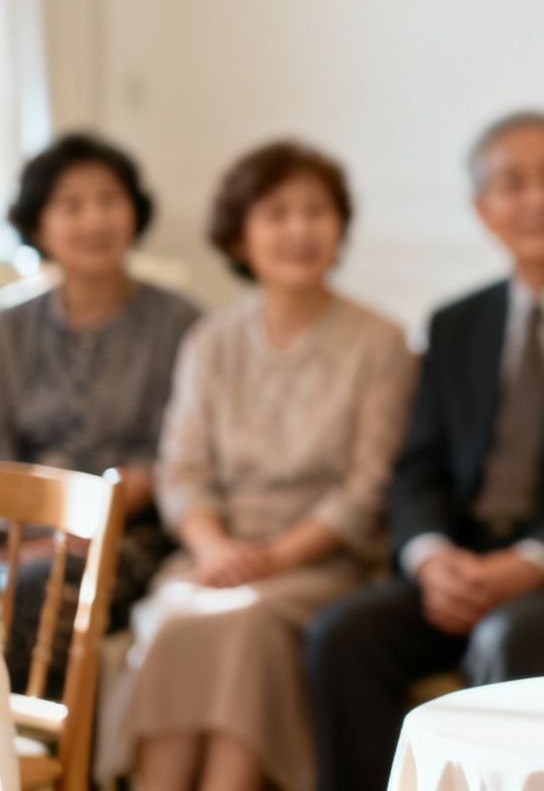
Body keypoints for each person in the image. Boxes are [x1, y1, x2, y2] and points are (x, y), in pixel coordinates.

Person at [305, 111, 544, 791]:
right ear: (482, 208)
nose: (537, 199)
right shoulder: (456, 323)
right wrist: (430, 557)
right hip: (460, 566)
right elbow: (418, 465)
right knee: (342, 635)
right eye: (512, 183)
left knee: (512, 637)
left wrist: (528, 562)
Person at [104, 141, 414, 791]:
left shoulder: (380, 342)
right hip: (212, 559)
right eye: (277, 213)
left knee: (242, 623)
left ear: (340, 228)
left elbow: (366, 488)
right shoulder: (210, 342)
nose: (300, 229)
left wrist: (271, 559)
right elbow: (182, 472)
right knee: (182, 618)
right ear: (239, 236)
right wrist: (216, 549)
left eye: (316, 212)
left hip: (322, 564)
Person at [0, 135, 200, 695]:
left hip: (131, 535)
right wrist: (31, 536)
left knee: (34, 592)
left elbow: (184, 457)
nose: (95, 220)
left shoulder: (182, 326)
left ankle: (44, 751)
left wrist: (85, 520)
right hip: (19, 530)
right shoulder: (9, 329)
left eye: (110, 200)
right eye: (71, 204)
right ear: (39, 225)